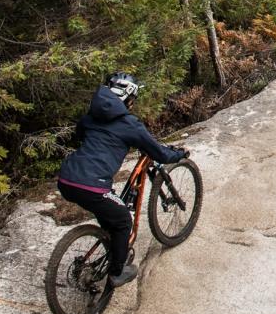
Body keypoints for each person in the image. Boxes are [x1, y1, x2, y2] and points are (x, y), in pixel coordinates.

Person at [56, 72, 186, 287]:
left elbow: (80, 134)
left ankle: (110, 243)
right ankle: (117, 272)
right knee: (123, 219)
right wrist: (179, 154)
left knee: (109, 215)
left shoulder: (90, 116)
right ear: (129, 98)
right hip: (92, 185)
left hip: (67, 179)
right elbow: (160, 154)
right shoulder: (129, 124)